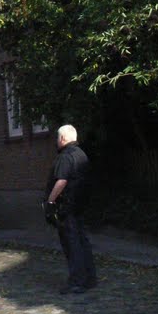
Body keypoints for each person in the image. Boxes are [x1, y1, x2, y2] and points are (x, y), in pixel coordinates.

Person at [44, 124, 97, 295]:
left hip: (66, 208)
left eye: (57, 138)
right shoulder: (82, 155)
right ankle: (89, 278)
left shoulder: (65, 157)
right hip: (80, 206)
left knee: (72, 244)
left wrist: (50, 201)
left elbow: (61, 181)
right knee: (82, 242)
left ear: (62, 139)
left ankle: (77, 281)